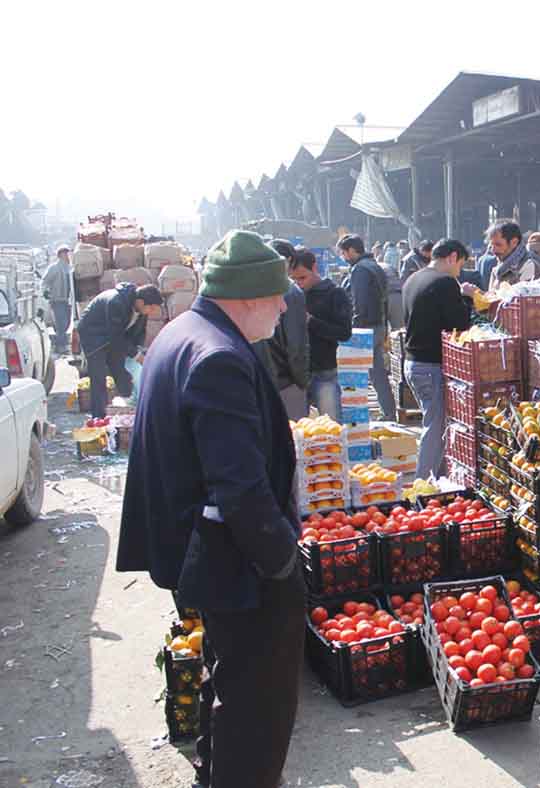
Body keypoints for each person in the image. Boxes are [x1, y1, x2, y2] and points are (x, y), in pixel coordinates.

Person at [117, 229, 304, 788]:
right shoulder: (218, 357)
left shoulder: (183, 333)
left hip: (201, 549)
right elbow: (239, 488)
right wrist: (280, 560)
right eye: (278, 296)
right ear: (249, 296)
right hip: (235, 563)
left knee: (230, 688)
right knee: (258, 711)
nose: (282, 307)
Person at [402, 239, 475, 479]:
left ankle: (438, 479)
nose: (459, 271)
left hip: (412, 361)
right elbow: (460, 324)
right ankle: (424, 485)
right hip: (430, 365)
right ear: (453, 257)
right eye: (460, 265)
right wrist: (468, 298)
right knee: (436, 427)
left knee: (434, 423)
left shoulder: (414, 278)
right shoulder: (445, 282)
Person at [76, 283, 163, 417]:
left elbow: (138, 334)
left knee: (121, 370)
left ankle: (127, 410)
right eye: (151, 308)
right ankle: (99, 417)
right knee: (98, 377)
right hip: (93, 335)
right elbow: (116, 337)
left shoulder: (141, 309)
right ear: (140, 302)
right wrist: (136, 355)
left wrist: (138, 350)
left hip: (113, 336)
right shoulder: (116, 302)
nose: (151, 312)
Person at [288, 248, 351, 421]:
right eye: (293, 279)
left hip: (324, 370)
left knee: (331, 429)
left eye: (302, 277)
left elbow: (344, 332)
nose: (299, 283)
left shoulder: (334, 294)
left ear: (314, 268)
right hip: (295, 374)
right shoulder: (290, 296)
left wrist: (311, 321)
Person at [338, 234, 396, 420]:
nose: (343, 257)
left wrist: (354, 330)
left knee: (356, 376)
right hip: (378, 325)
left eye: (344, 253)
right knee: (377, 372)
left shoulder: (359, 270)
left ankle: (357, 418)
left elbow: (359, 303)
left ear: (352, 251)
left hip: (364, 327)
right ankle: (388, 412)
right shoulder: (375, 266)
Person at [252, 240, 310, 420]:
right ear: (289, 261)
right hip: (286, 382)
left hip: (260, 380)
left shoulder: (251, 290)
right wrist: (303, 381)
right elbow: (296, 345)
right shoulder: (291, 292)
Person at [486, 220, 540, 292]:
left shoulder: (528, 266)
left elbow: (522, 299)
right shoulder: (497, 269)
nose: (493, 250)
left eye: (498, 245)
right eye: (492, 245)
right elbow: (490, 299)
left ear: (514, 242)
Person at [43, 244, 73, 353]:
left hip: (67, 301)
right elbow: (45, 281)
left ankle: (57, 342)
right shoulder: (54, 268)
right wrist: (46, 291)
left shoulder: (69, 268)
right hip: (57, 300)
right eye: (65, 253)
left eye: (67, 253)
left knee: (67, 323)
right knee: (62, 323)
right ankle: (61, 346)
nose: (67, 255)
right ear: (60, 255)